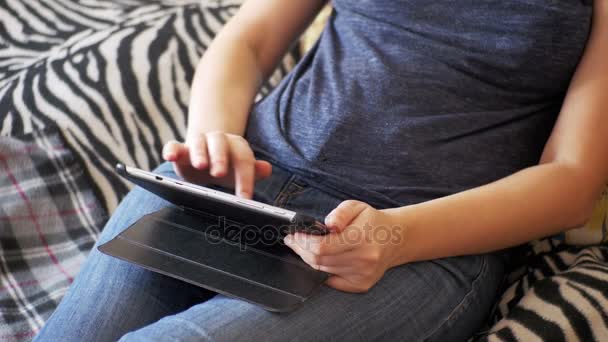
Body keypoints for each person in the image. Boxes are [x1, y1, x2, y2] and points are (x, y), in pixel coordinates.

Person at [36, 0, 608, 341]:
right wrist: (216, 136)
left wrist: (395, 237)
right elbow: (250, 39)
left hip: (416, 247)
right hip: (236, 188)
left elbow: (573, 180)